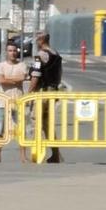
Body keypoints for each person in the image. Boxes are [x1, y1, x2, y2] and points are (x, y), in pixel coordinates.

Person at [0, 40, 29, 163]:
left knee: (21, 129)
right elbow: (0, 80)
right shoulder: (0, 65)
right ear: (6, 52)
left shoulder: (22, 65)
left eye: (14, 51)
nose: (12, 53)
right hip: (3, 101)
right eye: (10, 51)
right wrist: (14, 81)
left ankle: (23, 157)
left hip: (18, 100)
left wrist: (8, 79)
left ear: (17, 52)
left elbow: (22, 78)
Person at [32, 33, 64, 163]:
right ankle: (55, 154)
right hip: (53, 91)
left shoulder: (41, 55)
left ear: (41, 41)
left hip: (42, 91)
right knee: (47, 124)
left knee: (36, 121)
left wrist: (29, 92)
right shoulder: (56, 53)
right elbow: (60, 73)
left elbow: (35, 75)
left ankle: (37, 153)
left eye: (37, 39)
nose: (36, 42)